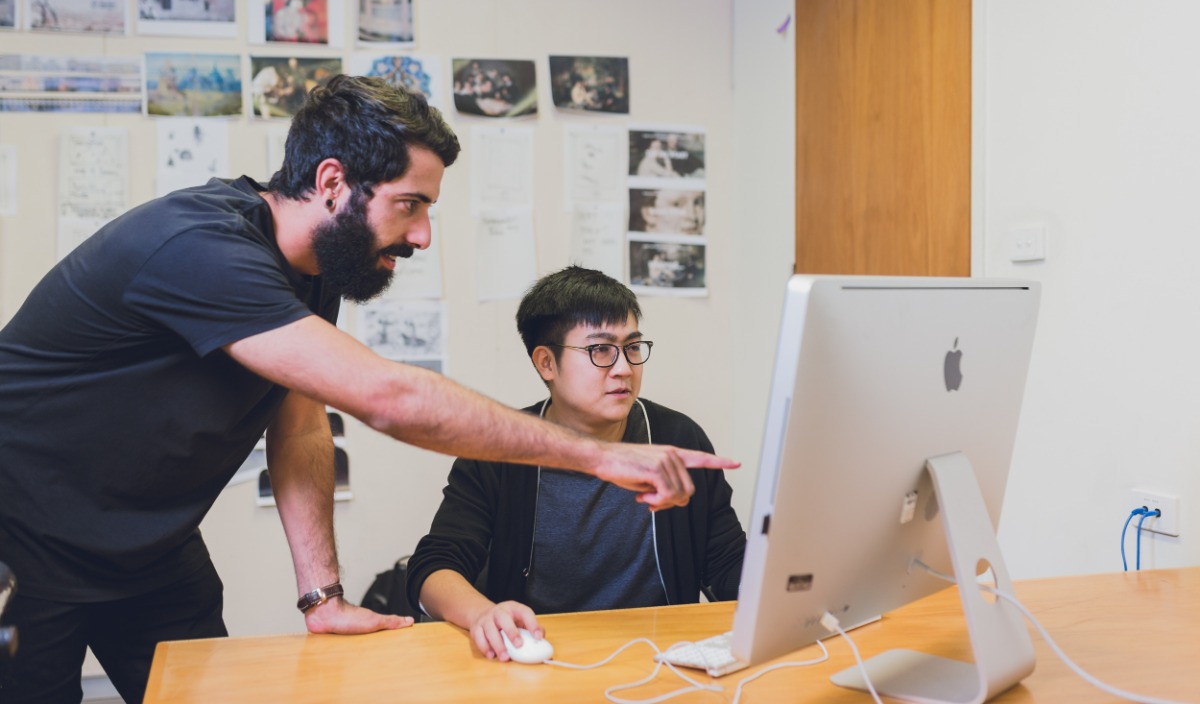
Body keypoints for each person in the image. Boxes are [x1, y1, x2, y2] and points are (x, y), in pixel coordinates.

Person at [0, 76, 736, 703]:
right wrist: (596, 456)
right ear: (331, 183)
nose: (421, 237)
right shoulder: (201, 250)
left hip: (148, 547)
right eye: (409, 204)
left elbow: (299, 429)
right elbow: (390, 399)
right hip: (23, 540)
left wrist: (321, 597)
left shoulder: (313, 275)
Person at [406, 266, 745, 662]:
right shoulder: (501, 450)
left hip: (660, 659)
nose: (623, 368)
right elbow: (432, 569)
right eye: (600, 350)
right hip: (543, 661)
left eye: (632, 347)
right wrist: (482, 612)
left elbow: (726, 566)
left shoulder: (675, 439)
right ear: (546, 363)